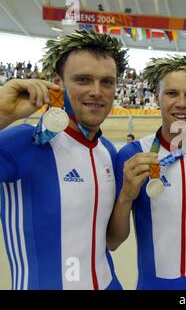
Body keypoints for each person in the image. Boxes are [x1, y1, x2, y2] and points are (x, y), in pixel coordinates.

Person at [0, 30, 128, 290]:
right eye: (83, 80)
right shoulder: (24, 142)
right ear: (58, 83)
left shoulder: (107, 150)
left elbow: (109, 241)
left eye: (107, 82)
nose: (97, 91)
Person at [107, 56, 186, 290]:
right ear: (156, 97)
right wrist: (126, 196)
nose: (181, 103)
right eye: (171, 93)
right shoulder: (132, 154)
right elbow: (113, 241)